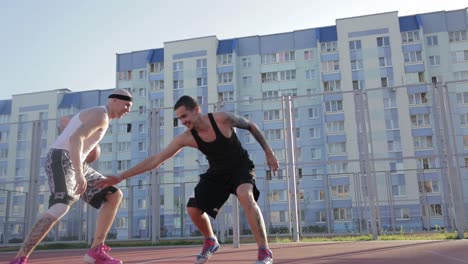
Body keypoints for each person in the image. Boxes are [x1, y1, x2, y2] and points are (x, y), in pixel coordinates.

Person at [97, 95, 279, 264]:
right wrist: (121, 176)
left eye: (185, 116)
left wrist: (269, 152)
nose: (183, 122)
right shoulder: (187, 138)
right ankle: (210, 240)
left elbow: (251, 125)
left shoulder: (222, 119)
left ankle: (264, 251)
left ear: (196, 110)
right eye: (180, 119)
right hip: (217, 173)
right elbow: (156, 159)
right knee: (193, 209)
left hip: (241, 167)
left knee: (244, 195)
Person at [9, 89, 133, 264]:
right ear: (114, 101)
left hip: (75, 160)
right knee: (61, 205)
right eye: (126, 104)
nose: (128, 109)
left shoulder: (98, 115)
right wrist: (80, 175)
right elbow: (76, 139)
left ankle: (95, 251)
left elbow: (72, 130)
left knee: (113, 194)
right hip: (61, 156)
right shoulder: (101, 115)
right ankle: (20, 258)